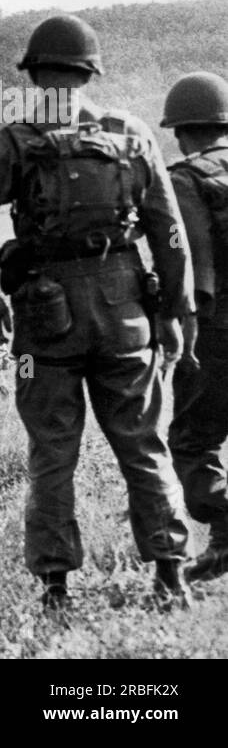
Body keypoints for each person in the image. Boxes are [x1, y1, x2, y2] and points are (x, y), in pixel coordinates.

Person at [0, 13, 193, 609]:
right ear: (91, 70)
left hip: (43, 316)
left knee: (52, 453)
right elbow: (170, 234)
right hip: (126, 312)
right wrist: (175, 313)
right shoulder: (132, 134)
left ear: (33, 72)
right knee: (143, 444)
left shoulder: (15, 140)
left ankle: (56, 590)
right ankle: (171, 577)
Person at [162, 72, 228, 583]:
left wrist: (182, 342)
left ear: (181, 131)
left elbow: (195, 276)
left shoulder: (184, 179)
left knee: (191, 440)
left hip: (218, 332)